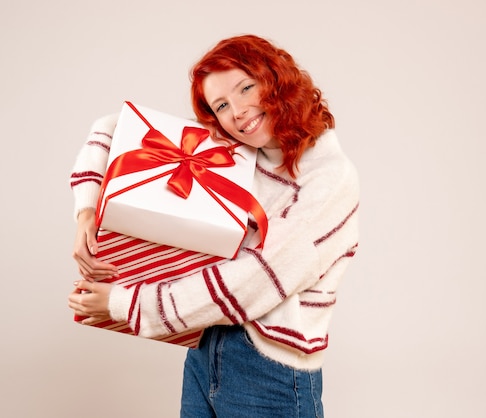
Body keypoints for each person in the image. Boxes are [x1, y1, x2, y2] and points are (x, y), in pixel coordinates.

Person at [68, 34, 359, 417]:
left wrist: (124, 303)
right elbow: (113, 129)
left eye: (246, 87)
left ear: (277, 80)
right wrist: (87, 211)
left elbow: (253, 281)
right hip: (204, 346)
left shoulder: (329, 179)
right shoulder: (238, 151)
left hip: (270, 371)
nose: (237, 112)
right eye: (221, 105)